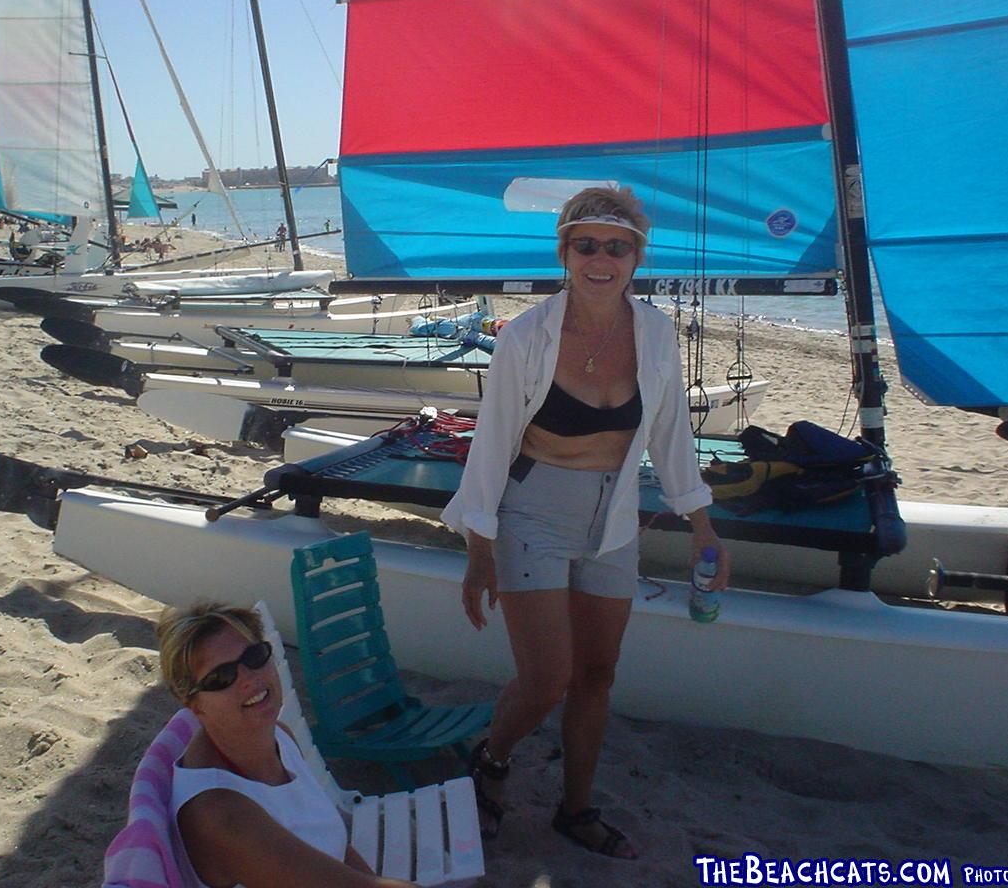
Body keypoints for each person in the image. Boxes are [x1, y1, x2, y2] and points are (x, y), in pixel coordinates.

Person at [441, 185, 730, 860]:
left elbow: (671, 433)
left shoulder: (655, 334)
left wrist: (703, 524)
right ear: (565, 253)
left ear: (637, 256)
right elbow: (492, 441)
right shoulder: (528, 336)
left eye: (617, 246)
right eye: (587, 244)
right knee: (547, 677)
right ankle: (492, 757)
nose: (603, 258)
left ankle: (576, 808)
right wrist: (478, 545)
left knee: (598, 674)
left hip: (616, 516)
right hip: (533, 509)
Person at [157, 601, 415, 888]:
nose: (249, 678)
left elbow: (340, 853)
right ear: (195, 706)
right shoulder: (219, 812)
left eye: (254, 656)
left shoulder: (280, 737)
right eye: (222, 677)